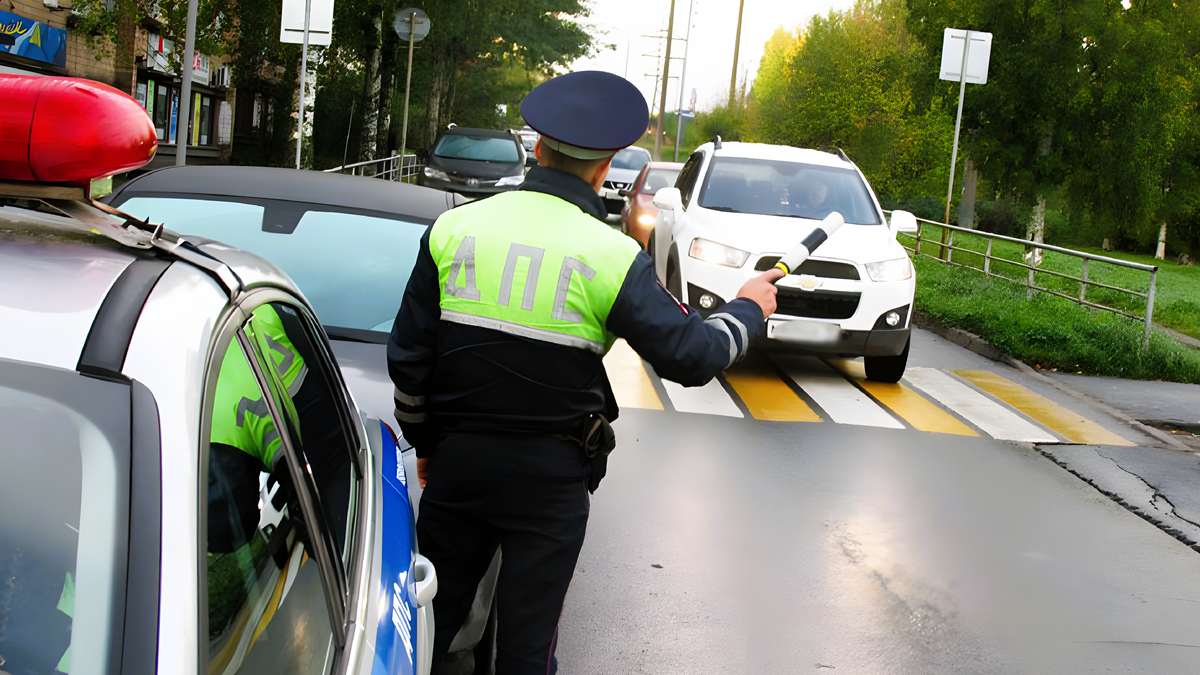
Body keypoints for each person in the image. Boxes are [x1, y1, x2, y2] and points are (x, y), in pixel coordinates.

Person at [387, 70, 784, 675]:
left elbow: (410, 361)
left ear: (537, 149)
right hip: (550, 483)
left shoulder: (454, 229)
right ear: (604, 169)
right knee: (526, 649)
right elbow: (694, 357)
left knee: (427, 634)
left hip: (459, 464)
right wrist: (749, 309)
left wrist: (429, 445)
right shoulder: (611, 255)